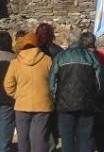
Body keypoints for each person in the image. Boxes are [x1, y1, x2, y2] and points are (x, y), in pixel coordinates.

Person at [49, 31, 104, 152]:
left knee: (67, 137)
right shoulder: (91, 56)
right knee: (86, 136)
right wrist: (94, 97)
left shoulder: (60, 57)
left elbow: (52, 81)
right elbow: (99, 81)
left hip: (64, 104)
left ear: (69, 42)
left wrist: (56, 98)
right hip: (87, 102)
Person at [5, 32, 54, 152]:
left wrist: (17, 95)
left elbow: (8, 85)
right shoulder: (47, 60)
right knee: (39, 138)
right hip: (42, 105)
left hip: (22, 105)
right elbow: (54, 82)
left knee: (23, 138)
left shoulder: (15, 63)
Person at [36, 23, 63, 152]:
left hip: (38, 90)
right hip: (53, 91)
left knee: (40, 125)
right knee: (51, 122)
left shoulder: (33, 51)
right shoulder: (58, 51)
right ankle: (51, 146)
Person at [85, 33, 104, 152]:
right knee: (101, 129)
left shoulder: (81, 56)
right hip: (100, 97)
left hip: (86, 97)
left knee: (87, 131)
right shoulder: (102, 55)